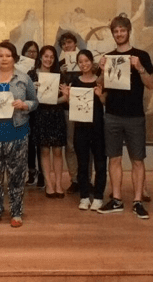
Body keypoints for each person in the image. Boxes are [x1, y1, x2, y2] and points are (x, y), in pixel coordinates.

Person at [97, 15, 153, 219]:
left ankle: (138, 201)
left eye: (122, 30)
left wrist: (139, 67)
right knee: (114, 158)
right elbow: (100, 85)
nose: (119, 34)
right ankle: (117, 199)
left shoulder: (141, 55)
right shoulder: (108, 56)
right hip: (112, 114)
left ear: (129, 31)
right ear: (113, 34)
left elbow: (151, 84)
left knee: (137, 160)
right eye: (116, 31)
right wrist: (102, 70)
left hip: (135, 116)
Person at [0, 42, 38, 228]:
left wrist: (25, 105)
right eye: (0, 55)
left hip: (17, 132)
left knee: (17, 176)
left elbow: (35, 101)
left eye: (8, 55)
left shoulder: (24, 78)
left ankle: (16, 213)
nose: (4, 59)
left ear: (14, 58)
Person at [62, 50, 107, 211]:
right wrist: (67, 96)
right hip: (80, 128)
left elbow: (105, 102)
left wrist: (100, 95)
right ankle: (84, 196)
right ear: (78, 64)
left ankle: (99, 196)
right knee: (82, 163)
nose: (84, 64)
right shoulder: (74, 81)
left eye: (86, 61)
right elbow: (72, 105)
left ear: (92, 61)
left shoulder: (100, 80)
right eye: (80, 62)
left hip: (98, 127)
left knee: (100, 163)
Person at [27, 45, 67, 197]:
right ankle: (49, 185)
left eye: (51, 57)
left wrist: (55, 100)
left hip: (56, 115)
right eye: (46, 56)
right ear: (41, 57)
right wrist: (32, 89)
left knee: (57, 151)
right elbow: (26, 96)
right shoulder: (31, 75)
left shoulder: (59, 75)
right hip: (40, 115)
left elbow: (66, 97)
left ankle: (59, 184)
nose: (48, 59)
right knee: (44, 150)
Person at [57, 32, 81, 194]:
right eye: (64, 44)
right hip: (67, 108)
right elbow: (54, 87)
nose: (67, 45)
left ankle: (87, 178)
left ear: (75, 43)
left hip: (85, 107)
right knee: (71, 145)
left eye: (69, 42)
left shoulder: (84, 61)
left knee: (86, 145)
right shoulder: (60, 65)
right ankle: (75, 179)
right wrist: (60, 73)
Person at [21, 41, 44, 188]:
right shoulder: (20, 70)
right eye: (29, 51)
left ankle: (42, 173)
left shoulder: (41, 70)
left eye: (34, 51)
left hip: (42, 111)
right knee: (29, 143)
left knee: (40, 143)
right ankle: (31, 171)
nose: (31, 54)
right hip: (27, 111)